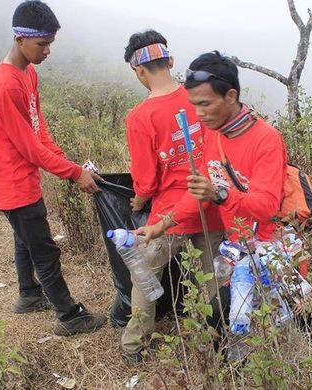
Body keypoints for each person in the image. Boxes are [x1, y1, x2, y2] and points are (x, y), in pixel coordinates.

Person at [0, 0, 106, 336]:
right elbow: (29, 147)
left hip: (14, 177)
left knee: (25, 240)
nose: (47, 51)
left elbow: (39, 129)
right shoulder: (4, 84)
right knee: (43, 248)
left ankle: (28, 294)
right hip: (12, 182)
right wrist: (73, 173)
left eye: (50, 43)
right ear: (20, 38)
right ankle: (68, 316)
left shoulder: (27, 72)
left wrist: (68, 162)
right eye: (42, 44)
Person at [118, 30, 225, 364]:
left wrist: (138, 200)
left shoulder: (140, 117)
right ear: (171, 61)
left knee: (144, 279)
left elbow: (146, 180)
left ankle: (134, 346)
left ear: (139, 71)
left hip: (168, 218)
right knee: (214, 281)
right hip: (209, 207)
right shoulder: (201, 99)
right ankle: (218, 342)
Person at [138, 50, 288, 247]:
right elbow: (199, 191)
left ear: (230, 96)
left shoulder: (266, 139)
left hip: (272, 250)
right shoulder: (214, 134)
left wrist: (219, 194)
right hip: (239, 246)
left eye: (205, 104)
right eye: (194, 105)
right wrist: (160, 226)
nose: (199, 114)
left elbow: (266, 207)